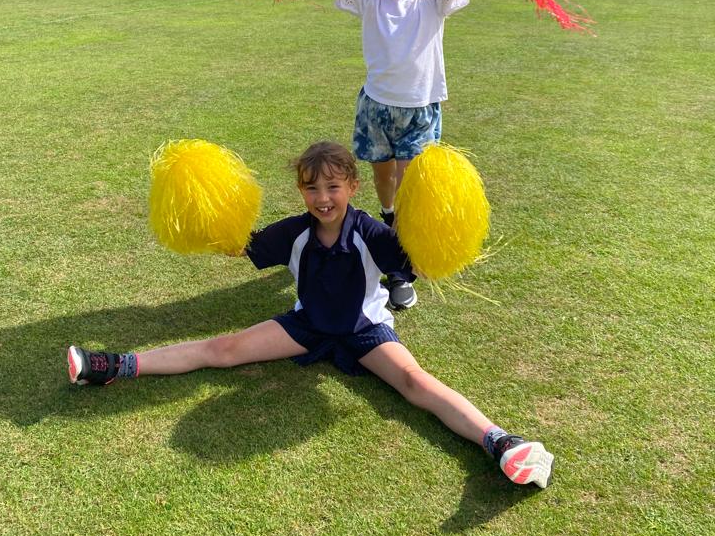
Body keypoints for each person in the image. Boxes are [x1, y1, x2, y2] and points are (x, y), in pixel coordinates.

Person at [67, 141, 553, 489]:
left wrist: (435, 242)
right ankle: (115, 365)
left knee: (414, 383)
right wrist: (213, 224)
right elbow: (246, 247)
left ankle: (502, 443)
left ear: (353, 185)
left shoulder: (370, 233)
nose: (322, 198)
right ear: (301, 191)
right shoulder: (295, 232)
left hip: (366, 331)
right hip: (306, 326)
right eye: (311, 188)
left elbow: (417, 261)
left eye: (333, 186)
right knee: (223, 349)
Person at [314, 0, 483, 310]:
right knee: (383, 179)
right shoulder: (370, 1)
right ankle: (387, 219)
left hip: (419, 112)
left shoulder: (433, 2)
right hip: (375, 108)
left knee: (411, 187)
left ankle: (400, 271)